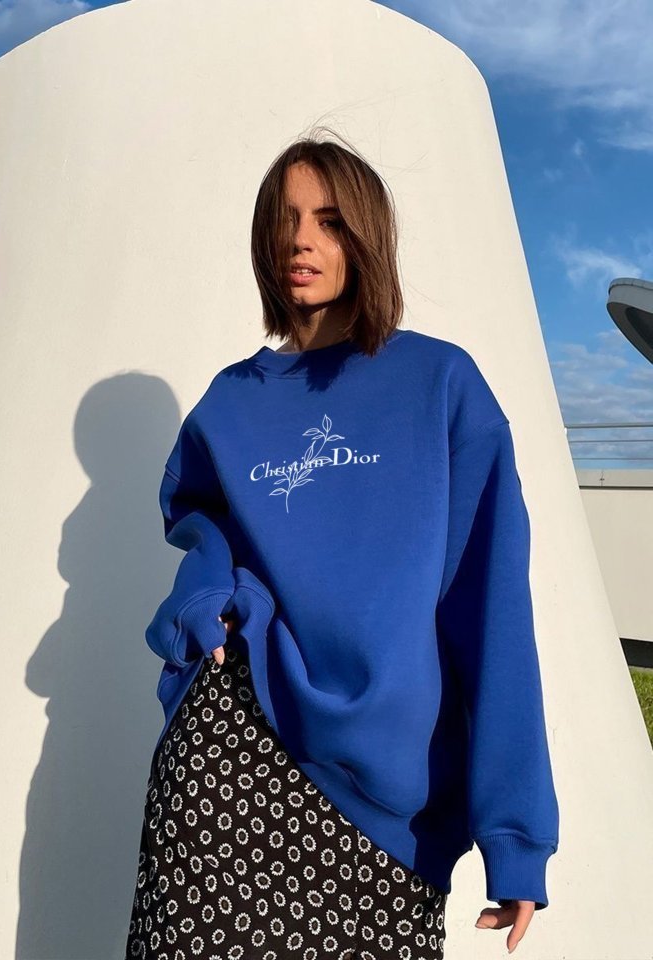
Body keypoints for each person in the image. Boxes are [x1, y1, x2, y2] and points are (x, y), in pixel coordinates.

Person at [125, 132, 559, 960]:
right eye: (285, 219)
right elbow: (202, 523)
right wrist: (204, 593)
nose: (301, 241)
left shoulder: (441, 386)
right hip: (231, 758)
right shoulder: (230, 403)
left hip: (387, 806)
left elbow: (493, 609)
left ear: (366, 233)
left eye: (327, 220)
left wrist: (516, 836)